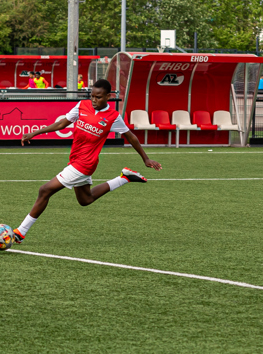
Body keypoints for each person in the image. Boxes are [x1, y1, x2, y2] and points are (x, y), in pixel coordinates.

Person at [12, 78, 160, 243]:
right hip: (75, 159)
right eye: (92, 96)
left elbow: (131, 137)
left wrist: (146, 158)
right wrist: (35, 133)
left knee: (45, 190)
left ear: (108, 97)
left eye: (99, 97)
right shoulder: (82, 106)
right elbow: (62, 124)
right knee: (85, 199)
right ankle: (124, 178)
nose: (94, 100)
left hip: (85, 164)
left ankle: (20, 232)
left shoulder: (113, 117)